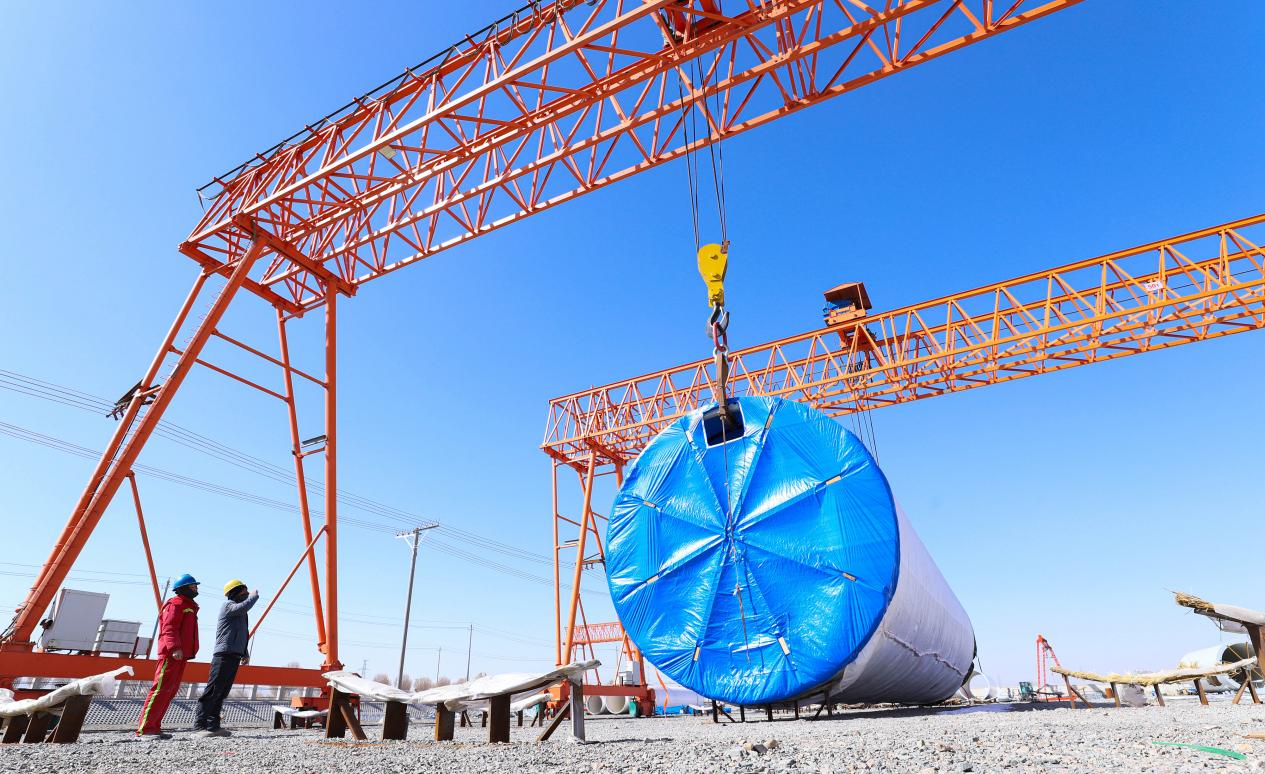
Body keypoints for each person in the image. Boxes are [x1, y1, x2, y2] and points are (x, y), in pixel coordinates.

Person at [193, 579, 259, 737]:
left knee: (222, 692)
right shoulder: (228, 606)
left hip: (234, 655)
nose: (246, 594)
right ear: (235, 592)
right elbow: (243, 606)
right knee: (213, 691)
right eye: (244, 591)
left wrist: (244, 653)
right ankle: (200, 725)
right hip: (223, 655)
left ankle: (213, 726)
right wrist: (253, 597)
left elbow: (242, 633)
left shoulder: (241, 613)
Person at [137, 573, 200, 739]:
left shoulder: (189, 605)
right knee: (160, 690)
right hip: (171, 655)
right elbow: (169, 628)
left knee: (169, 691)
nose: (196, 588)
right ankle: (144, 730)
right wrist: (175, 648)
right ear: (183, 588)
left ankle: (154, 727)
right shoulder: (175, 604)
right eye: (193, 586)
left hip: (181, 655)